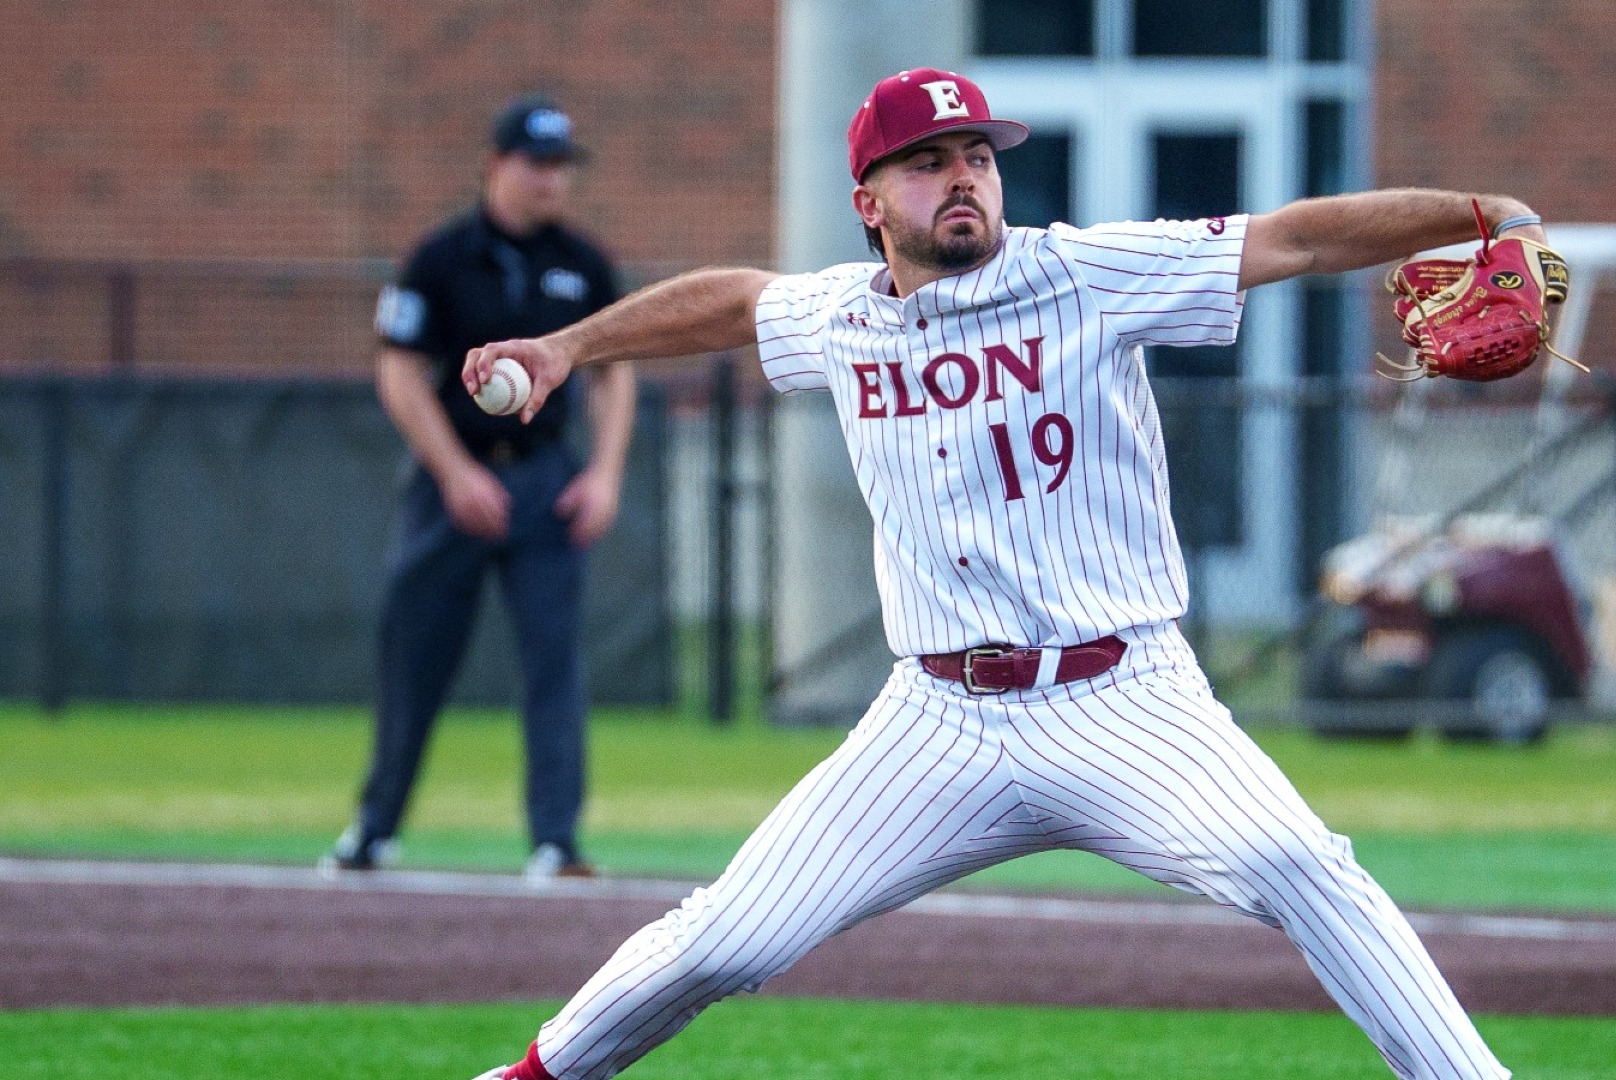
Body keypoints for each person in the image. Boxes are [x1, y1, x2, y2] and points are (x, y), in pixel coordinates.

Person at [467, 69, 1536, 1079]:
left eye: (978, 152)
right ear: (870, 202)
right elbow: (736, 301)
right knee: (728, 941)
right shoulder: (842, 315)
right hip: (935, 721)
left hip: (1126, 699)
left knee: (1298, 865)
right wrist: (568, 350)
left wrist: (1483, 212)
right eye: (930, 161)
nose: (966, 175)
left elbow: (1295, 239)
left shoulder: (1086, 273)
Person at [324, 94, 636, 882]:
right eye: (537, 163)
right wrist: (454, 473)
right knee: (414, 659)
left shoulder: (584, 265)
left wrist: (603, 475)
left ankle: (556, 841)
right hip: (450, 483)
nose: (550, 181)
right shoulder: (441, 258)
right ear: (498, 164)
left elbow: (613, 373)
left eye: (562, 166)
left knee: (553, 664)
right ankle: (375, 828)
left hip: (543, 482)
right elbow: (398, 370)